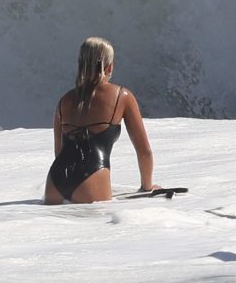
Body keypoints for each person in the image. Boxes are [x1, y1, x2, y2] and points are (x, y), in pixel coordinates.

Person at [45, 36, 155, 203]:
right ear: (109, 66)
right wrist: (147, 187)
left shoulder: (64, 101)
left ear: (80, 64)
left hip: (55, 182)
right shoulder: (122, 96)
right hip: (91, 181)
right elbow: (144, 151)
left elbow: (59, 153)